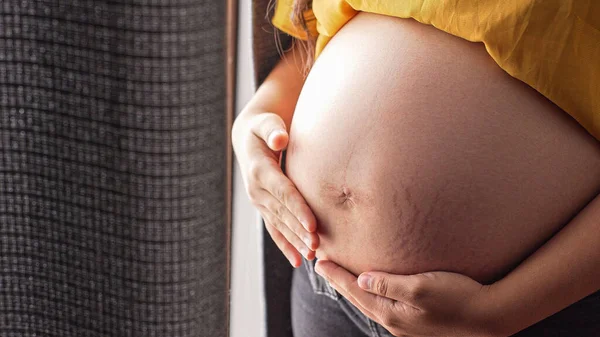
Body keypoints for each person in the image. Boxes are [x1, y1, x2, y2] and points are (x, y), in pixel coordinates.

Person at [232, 1, 600, 336]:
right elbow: (313, 28)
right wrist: (258, 113)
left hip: (528, 305)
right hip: (327, 283)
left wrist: (501, 311)